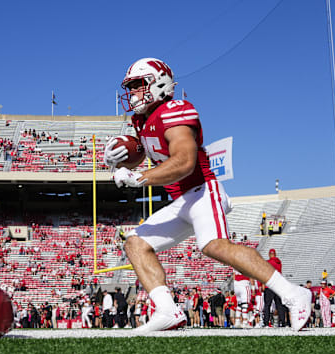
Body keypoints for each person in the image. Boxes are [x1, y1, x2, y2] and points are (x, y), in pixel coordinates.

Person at [104, 58, 311, 332]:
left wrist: (138, 177)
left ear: (159, 83)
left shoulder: (174, 111)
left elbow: (184, 161)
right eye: (130, 88)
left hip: (202, 191)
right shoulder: (141, 121)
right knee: (135, 243)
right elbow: (145, 152)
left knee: (214, 245)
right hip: (181, 201)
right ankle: (167, 311)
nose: (133, 94)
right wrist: (119, 160)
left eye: (139, 86)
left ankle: (294, 294)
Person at [262, 249, 287, 327]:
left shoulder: (267, 263)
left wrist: (262, 283)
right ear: (275, 254)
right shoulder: (279, 262)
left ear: (269, 254)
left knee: (267, 305)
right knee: (279, 305)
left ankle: (266, 323)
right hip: (277, 285)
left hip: (269, 285)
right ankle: (283, 322)